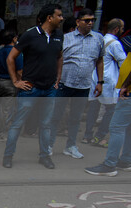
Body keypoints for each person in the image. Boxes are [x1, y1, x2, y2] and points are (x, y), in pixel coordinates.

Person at [1, 4, 63, 169]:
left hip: (49, 89)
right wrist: (15, 81)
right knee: (17, 123)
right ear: (50, 17)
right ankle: (8, 156)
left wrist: (58, 78)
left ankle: (45, 156)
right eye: (59, 15)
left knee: (46, 124)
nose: (62, 18)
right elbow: (10, 58)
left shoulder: (58, 35)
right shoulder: (30, 35)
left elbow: (59, 57)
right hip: (30, 88)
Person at [49, 8, 104, 160]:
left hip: (84, 86)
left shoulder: (98, 39)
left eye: (92, 20)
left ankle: (71, 146)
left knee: (76, 117)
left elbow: (100, 61)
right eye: (87, 20)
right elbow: (57, 59)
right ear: (78, 22)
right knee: (56, 116)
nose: (90, 23)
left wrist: (100, 82)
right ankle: (48, 145)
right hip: (64, 84)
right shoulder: (66, 38)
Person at [84, 54, 131, 176]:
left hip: (128, 93)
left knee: (116, 128)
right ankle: (126, 160)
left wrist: (126, 85)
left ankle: (110, 165)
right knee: (128, 127)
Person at [83, 18, 127, 147]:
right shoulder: (115, 44)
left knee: (93, 107)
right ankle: (100, 136)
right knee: (111, 109)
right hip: (108, 81)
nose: (123, 31)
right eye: (122, 28)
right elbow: (124, 63)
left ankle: (87, 136)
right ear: (117, 29)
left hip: (95, 78)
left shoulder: (98, 39)